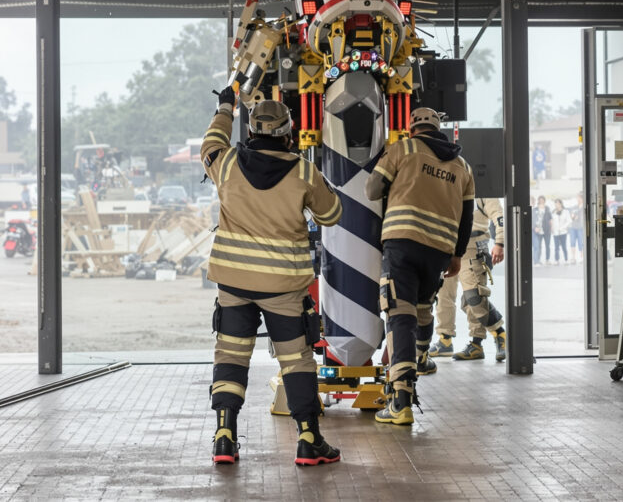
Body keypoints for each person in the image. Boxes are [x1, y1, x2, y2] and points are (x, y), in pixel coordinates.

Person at [202, 89, 343, 466]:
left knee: (231, 355)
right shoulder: (303, 171)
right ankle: (309, 440)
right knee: (296, 360)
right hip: (283, 286)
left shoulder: (226, 163)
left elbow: (211, 141)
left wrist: (226, 107)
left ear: (250, 131)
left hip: (233, 283)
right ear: (288, 132)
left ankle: (224, 436)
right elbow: (331, 215)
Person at [366, 107, 474, 426]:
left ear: (412, 128)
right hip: (440, 252)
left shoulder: (403, 150)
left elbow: (372, 190)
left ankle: (401, 399)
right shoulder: (462, 165)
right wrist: (456, 254)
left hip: (402, 242)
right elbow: (466, 219)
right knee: (423, 307)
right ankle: (422, 356)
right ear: (439, 128)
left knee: (399, 316)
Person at [429, 197, 508, 361]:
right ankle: (445, 339)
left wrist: (500, 242)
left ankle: (497, 335)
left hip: (473, 246)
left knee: (473, 297)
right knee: (443, 295)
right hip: (446, 245)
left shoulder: (482, 191)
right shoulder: (450, 184)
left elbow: (499, 215)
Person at [533, 195, 552, 266]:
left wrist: (551, 229)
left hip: (546, 231)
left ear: (544, 201)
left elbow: (550, 219)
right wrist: (534, 228)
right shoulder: (535, 210)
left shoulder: (547, 209)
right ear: (538, 201)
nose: (541, 201)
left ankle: (547, 260)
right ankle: (537, 261)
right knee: (538, 246)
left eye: (542, 200)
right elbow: (532, 220)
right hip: (538, 231)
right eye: (540, 200)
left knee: (547, 246)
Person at [552, 198, 571, 264]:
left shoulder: (566, 211)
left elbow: (569, 221)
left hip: (563, 232)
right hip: (555, 233)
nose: (556, 205)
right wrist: (553, 229)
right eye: (555, 203)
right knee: (556, 247)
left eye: (558, 203)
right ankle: (556, 260)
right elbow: (552, 222)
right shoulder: (553, 212)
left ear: (561, 204)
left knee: (564, 246)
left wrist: (563, 227)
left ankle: (566, 259)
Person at [569, 195, 585, 263]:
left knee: (581, 242)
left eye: (579, 198)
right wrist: (572, 217)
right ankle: (573, 257)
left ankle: (582, 257)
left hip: (581, 227)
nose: (578, 199)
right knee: (572, 242)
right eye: (577, 198)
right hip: (573, 227)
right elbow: (571, 216)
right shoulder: (574, 207)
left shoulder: (584, 207)